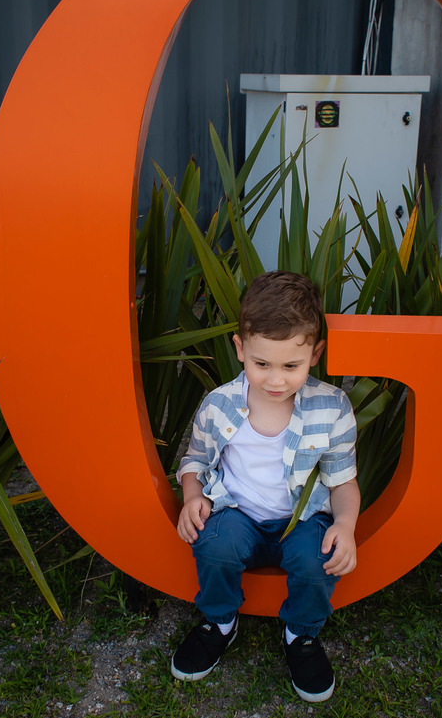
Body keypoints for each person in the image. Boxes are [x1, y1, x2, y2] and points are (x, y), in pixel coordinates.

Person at [170, 271, 360, 702]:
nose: (276, 380)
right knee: (214, 543)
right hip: (240, 516)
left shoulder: (331, 407)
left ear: (315, 354)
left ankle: (301, 634)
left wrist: (345, 524)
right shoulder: (219, 404)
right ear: (241, 349)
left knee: (318, 559)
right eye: (262, 364)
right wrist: (193, 496)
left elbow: (343, 479)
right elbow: (195, 459)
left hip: (303, 520)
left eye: (291, 365)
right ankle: (219, 622)